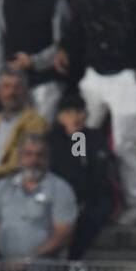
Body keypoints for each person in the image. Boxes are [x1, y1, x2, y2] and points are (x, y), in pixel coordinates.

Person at [55, 0, 136, 225]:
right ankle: (81, 197)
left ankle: (133, 203)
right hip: (93, 76)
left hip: (126, 76)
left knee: (125, 145)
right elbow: (75, 30)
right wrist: (64, 50)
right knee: (79, 138)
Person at [0, 133, 77, 265]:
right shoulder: (1, 187)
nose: (34, 160)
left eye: (40, 155)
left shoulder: (61, 188)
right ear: (19, 158)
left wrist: (28, 261)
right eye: (28, 154)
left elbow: (64, 234)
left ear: (48, 159)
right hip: (2, 270)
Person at [0, 0, 70, 123]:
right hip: (13, 83)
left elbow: (63, 45)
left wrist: (34, 61)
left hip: (45, 82)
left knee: (40, 135)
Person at [49, 94, 117, 260]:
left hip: (91, 195)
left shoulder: (94, 137)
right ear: (60, 117)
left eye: (79, 111)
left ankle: (73, 258)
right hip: (59, 194)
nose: (75, 116)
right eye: (69, 112)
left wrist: (76, 138)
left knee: (94, 212)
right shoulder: (51, 139)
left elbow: (87, 170)